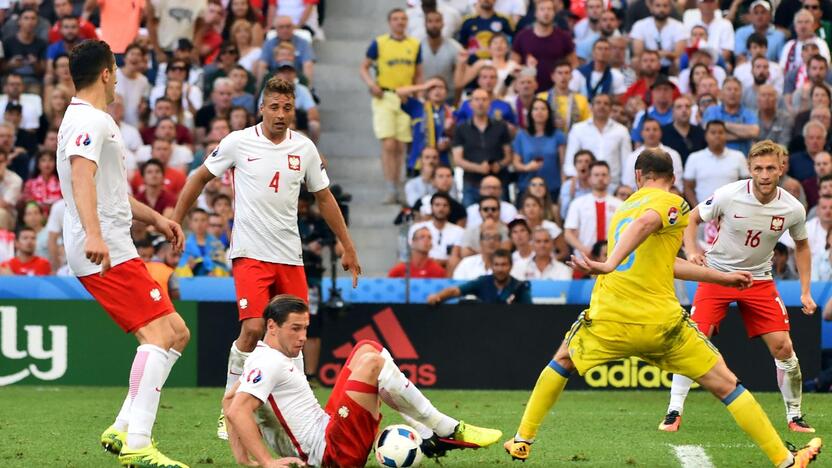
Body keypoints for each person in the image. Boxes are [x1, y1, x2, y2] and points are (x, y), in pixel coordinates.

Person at [503, 148, 824, 467]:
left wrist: (721, 278)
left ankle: (522, 440)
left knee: (561, 361)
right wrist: (609, 262)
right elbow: (647, 222)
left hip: (609, 317)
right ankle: (785, 460)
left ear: (638, 176)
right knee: (726, 384)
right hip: (661, 323)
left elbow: (666, 261)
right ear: (673, 179)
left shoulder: (624, 208)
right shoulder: (673, 203)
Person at [172, 76, 360, 441]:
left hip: (289, 256)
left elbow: (324, 199)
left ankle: (301, 417)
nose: (280, 114)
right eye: (274, 107)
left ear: (294, 110)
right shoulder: (238, 143)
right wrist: (174, 221)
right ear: (261, 108)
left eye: (287, 108)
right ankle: (229, 408)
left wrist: (347, 245)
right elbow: (198, 179)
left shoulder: (303, 148)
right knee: (255, 328)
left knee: (295, 335)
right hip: (250, 254)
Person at [57, 40, 190, 467]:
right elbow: (82, 179)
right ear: (108, 73)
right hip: (105, 249)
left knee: (176, 332)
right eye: (116, 70)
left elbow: (112, 192)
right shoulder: (89, 121)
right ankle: (138, 443)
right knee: (156, 337)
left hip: (116, 243)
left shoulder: (91, 120)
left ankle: (122, 427)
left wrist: (157, 219)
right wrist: (95, 235)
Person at [224, 295, 502, 467]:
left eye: (305, 328)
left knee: (367, 349)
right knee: (372, 363)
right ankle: (442, 428)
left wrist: (243, 460)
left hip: (329, 430)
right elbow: (237, 410)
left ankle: (432, 432)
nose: (303, 337)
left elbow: (228, 401)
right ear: (271, 327)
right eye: (295, 329)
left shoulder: (262, 360)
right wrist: (267, 462)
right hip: (331, 456)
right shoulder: (267, 362)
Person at [659, 141, 818, 434]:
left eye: (771, 168)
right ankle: (673, 411)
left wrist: (806, 291)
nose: (765, 174)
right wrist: (692, 251)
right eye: (758, 168)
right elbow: (691, 218)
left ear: (782, 168)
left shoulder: (793, 207)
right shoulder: (729, 194)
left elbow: (802, 245)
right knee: (695, 338)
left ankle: (794, 416)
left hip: (758, 280)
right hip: (717, 275)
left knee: (784, 347)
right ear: (750, 169)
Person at [360, 8, 423, 204]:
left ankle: (400, 186)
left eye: (403, 19)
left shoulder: (414, 44)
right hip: (385, 95)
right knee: (388, 143)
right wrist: (372, 84)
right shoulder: (380, 43)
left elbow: (418, 73)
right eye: (396, 19)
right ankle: (390, 187)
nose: (400, 22)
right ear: (389, 22)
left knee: (401, 145)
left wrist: (418, 95)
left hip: (406, 96)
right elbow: (364, 66)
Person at [452, 88, 512, 207]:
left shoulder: (501, 126)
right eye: (477, 99)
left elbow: (508, 155)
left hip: (497, 182)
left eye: (484, 100)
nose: (480, 103)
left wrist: (499, 165)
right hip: (472, 182)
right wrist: (477, 168)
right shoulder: (461, 129)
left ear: (489, 104)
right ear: (470, 104)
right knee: (470, 218)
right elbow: (458, 159)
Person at [564, 93, 632, 185]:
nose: (602, 106)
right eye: (598, 103)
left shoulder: (621, 131)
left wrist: (625, 185)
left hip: (613, 185)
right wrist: (577, 181)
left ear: (611, 109)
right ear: (591, 107)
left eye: (606, 104)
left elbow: (626, 162)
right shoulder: (578, 129)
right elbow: (570, 161)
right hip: (584, 183)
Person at [510, 0, 575, 92]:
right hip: (529, 91)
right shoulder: (522, 36)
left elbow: (574, 64)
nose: (546, 12)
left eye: (549, 9)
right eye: (542, 9)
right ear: (536, 13)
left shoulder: (564, 37)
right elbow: (514, 65)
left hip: (556, 92)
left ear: (554, 13)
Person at [684, 120, 750, 206]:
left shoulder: (738, 156)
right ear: (706, 136)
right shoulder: (694, 158)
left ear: (726, 135)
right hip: (703, 214)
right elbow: (687, 187)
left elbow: (747, 185)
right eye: (713, 132)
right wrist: (698, 210)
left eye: (721, 132)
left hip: (732, 212)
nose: (717, 136)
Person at [565, 161, 622, 259]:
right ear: (590, 178)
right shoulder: (577, 203)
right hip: (583, 259)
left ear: (609, 178)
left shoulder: (620, 205)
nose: (600, 178)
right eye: (596, 175)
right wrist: (583, 248)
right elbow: (568, 233)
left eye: (604, 175)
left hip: (613, 259)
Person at [429, 249, 530, 304]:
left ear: (510, 266)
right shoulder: (483, 282)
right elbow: (455, 291)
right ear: (491, 266)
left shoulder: (520, 287)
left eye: (504, 265)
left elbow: (530, 313)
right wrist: (438, 297)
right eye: (496, 265)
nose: (500, 269)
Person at [512, 98, 566, 196]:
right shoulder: (521, 135)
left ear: (549, 113)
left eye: (543, 109)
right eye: (535, 109)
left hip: (552, 187)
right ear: (530, 113)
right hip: (527, 187)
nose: (539, 112)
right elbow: (516, 163)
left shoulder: (558, 135)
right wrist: (526, 167)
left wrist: (563, 187)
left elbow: (563, 164)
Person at [622, 118, 684, 191]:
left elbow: (677, 184)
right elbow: (628, 184)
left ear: (661, 133)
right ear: (641, 133)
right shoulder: (632, 157)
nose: (651, 133)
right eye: (647, 129)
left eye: (655, 129)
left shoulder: (673, 154)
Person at [410, 192, 466, 268]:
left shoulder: (459, 231)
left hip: (448, 268)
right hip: (422, 267)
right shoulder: (417, 228)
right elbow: (412, 252)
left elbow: (456, 258)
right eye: (437, 205)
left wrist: (439, 262)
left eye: (445, 205)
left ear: (450, 209)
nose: (441, 208)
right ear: (431, 207)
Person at [629, 0, 687, 71]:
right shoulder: (640, 25)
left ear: (670, 8)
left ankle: (675, 81)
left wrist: (666, 54)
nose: (661, 9)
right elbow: (638, 52)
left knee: (678, 61)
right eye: (658, 6)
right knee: (635, 60)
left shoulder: (679, 26)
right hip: (647, 62)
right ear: (651, 7)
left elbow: (679, 53)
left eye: (665, 6)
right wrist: (655, 55)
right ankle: (640, 81)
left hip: (669, 64)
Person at [661, 95, 706, 164]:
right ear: (673, 111)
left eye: (687, 107)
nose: (684, 110)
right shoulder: (663, 133)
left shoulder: (700, 132)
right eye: (679, 107)